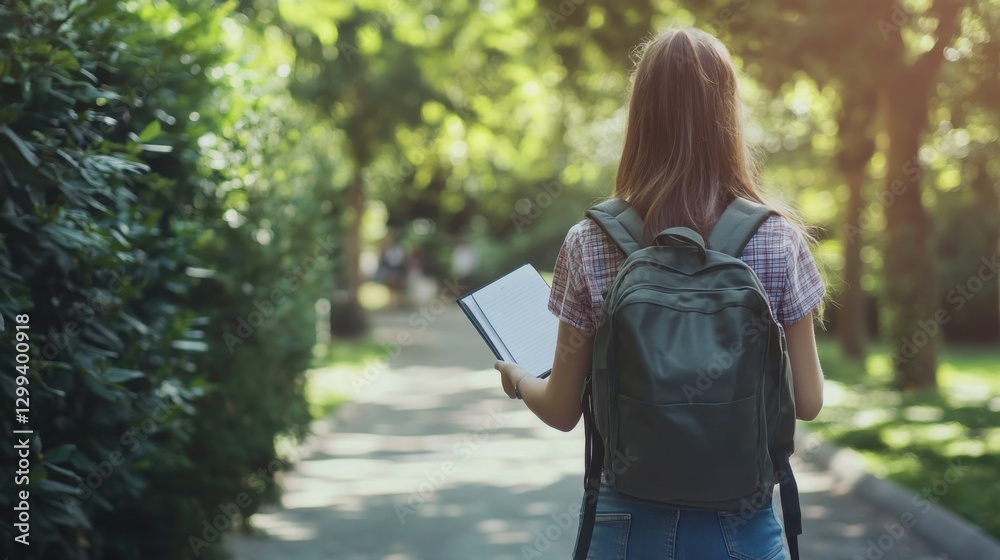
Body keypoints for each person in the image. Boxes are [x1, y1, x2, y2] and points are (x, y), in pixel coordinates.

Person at [494, 27, 826, 559]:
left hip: (626, 524)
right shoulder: (777, 239)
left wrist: (515, 378)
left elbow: (561, 409)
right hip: (742, 525)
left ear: (641, 118)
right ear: (728, 114)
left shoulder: (589, 241)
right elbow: (807, 403)